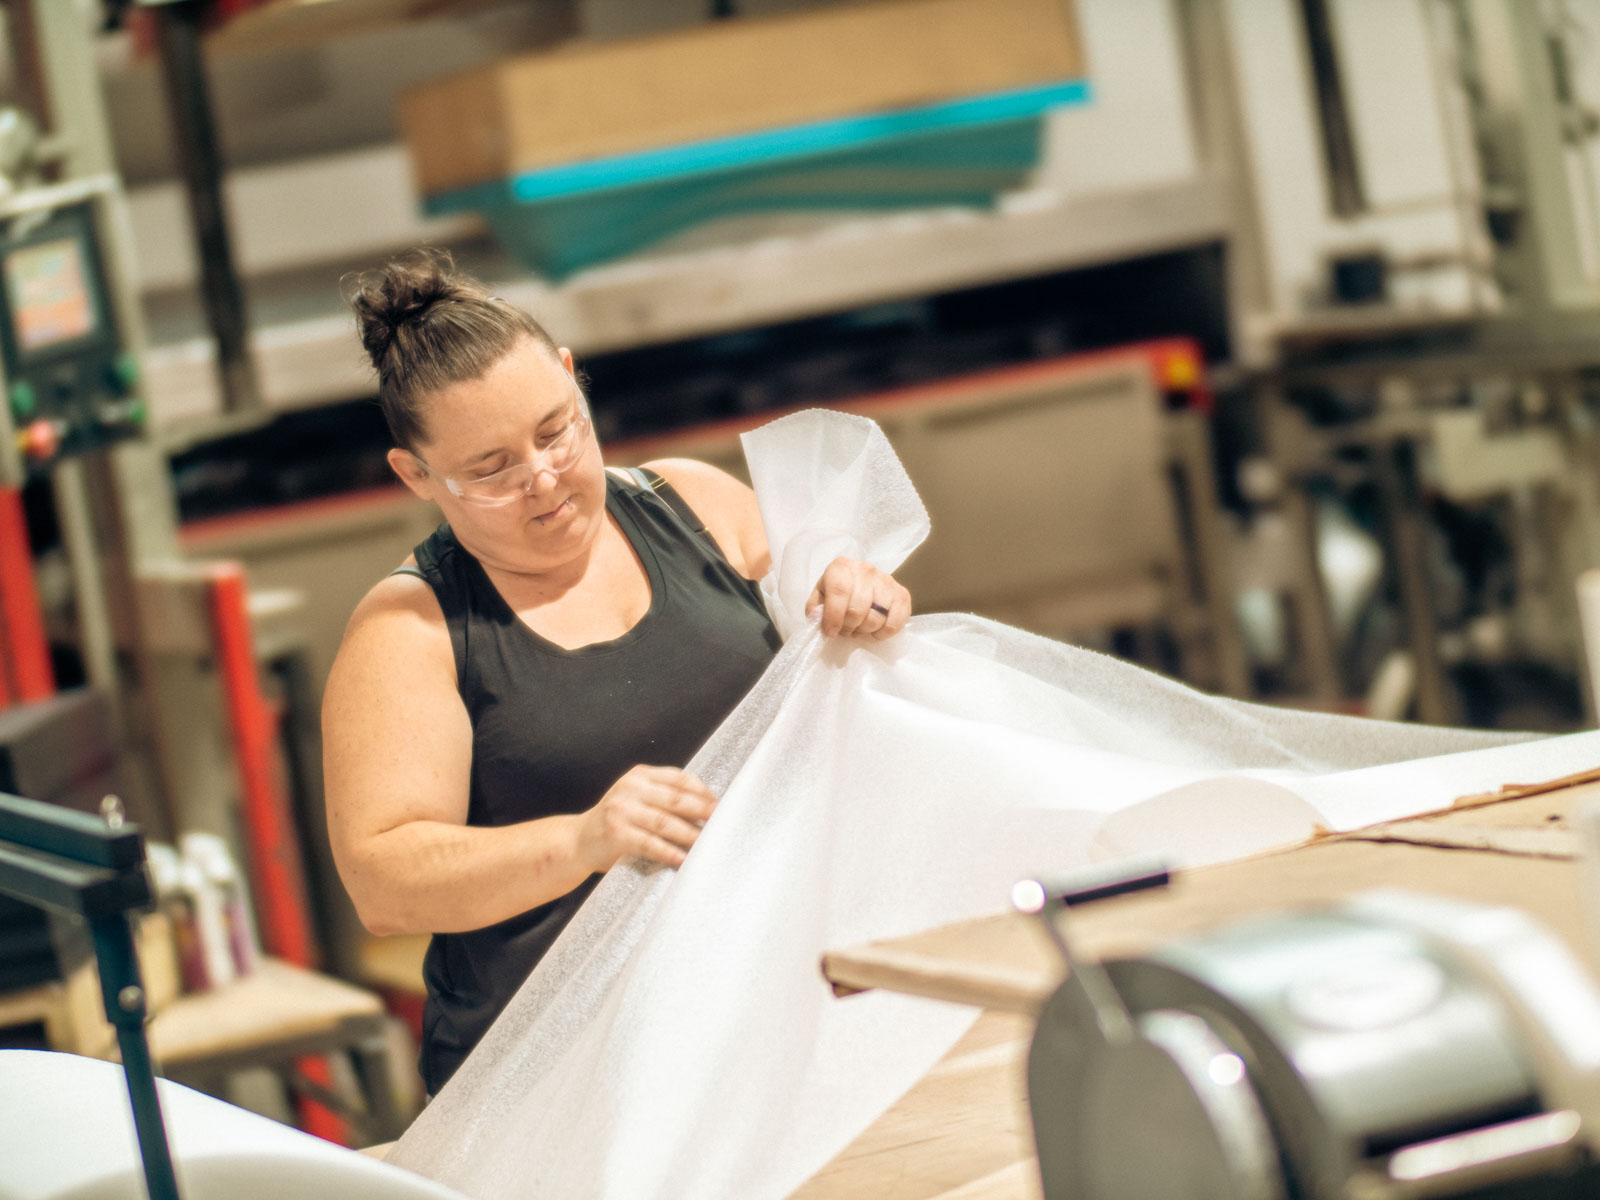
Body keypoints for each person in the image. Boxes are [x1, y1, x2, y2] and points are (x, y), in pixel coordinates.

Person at [322, 254, 912, 1094]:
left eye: (557, 429)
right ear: (415, 475)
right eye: (490, 470)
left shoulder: (696, 502)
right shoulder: (410, 632)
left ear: (573, 379)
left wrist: (859, 595)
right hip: (557, 1085)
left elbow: (829, 622)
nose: (544, 478)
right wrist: (582, 841)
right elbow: (386, 884)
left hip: (770, 1026)